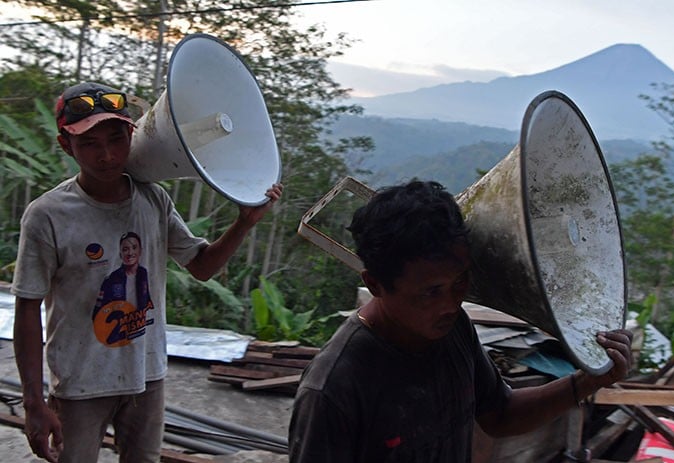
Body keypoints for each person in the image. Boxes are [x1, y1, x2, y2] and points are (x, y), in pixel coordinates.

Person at [12, 81, 283, 463]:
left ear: (132, 134)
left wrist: (244, 223)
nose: (107, 155)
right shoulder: (47, 215)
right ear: (65, 145)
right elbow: (26, 310)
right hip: (79, 384)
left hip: (146, 377)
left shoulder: (153, 199)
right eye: (89, 143)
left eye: (116, 138)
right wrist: (34, 402)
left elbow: (202, 266)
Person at [288, 180, 632, 462]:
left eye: (459, 283)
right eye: (430, 291)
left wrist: (588, 381)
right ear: (374, 285)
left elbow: (500, 413)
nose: (451, 303)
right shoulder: (333, 389)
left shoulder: (452, 329)